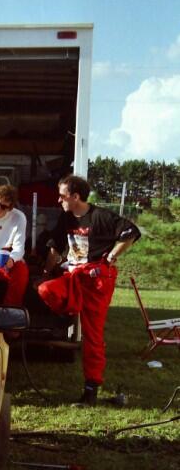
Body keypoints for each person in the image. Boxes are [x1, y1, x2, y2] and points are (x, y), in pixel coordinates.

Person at [38, 174, 141, 406]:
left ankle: (91, 389)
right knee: (45, 290)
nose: (58, 200)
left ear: (75, 196)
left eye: (62, 195)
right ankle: (73, 309)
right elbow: (55, 248)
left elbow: (131, 232)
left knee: (93, 337)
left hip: (96, 280)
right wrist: (45, 272)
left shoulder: (101, 216)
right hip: (73, 276)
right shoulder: (66, 219)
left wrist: (111, 257)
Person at [0, 184, 29, 307]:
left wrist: (12, 260)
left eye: (3, 207)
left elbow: (19, 247)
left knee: (21, 270)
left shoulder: (18, 217)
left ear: (10, 208)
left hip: (1, 256)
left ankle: (11, 310)